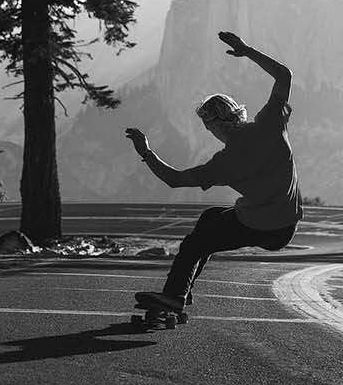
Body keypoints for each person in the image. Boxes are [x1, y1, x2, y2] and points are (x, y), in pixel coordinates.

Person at [125, 31, 303, 311]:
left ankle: (174, 296)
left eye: (208, 128)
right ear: (239, 114)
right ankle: (183, 291)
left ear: (214, 126)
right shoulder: (269, 123)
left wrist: (146, 152)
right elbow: (284, 75)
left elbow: (174, 179)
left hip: (258, 225)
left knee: (195, 244)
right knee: (211, 218)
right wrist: (246, 50)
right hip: (287, 226)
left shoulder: (225, 161)